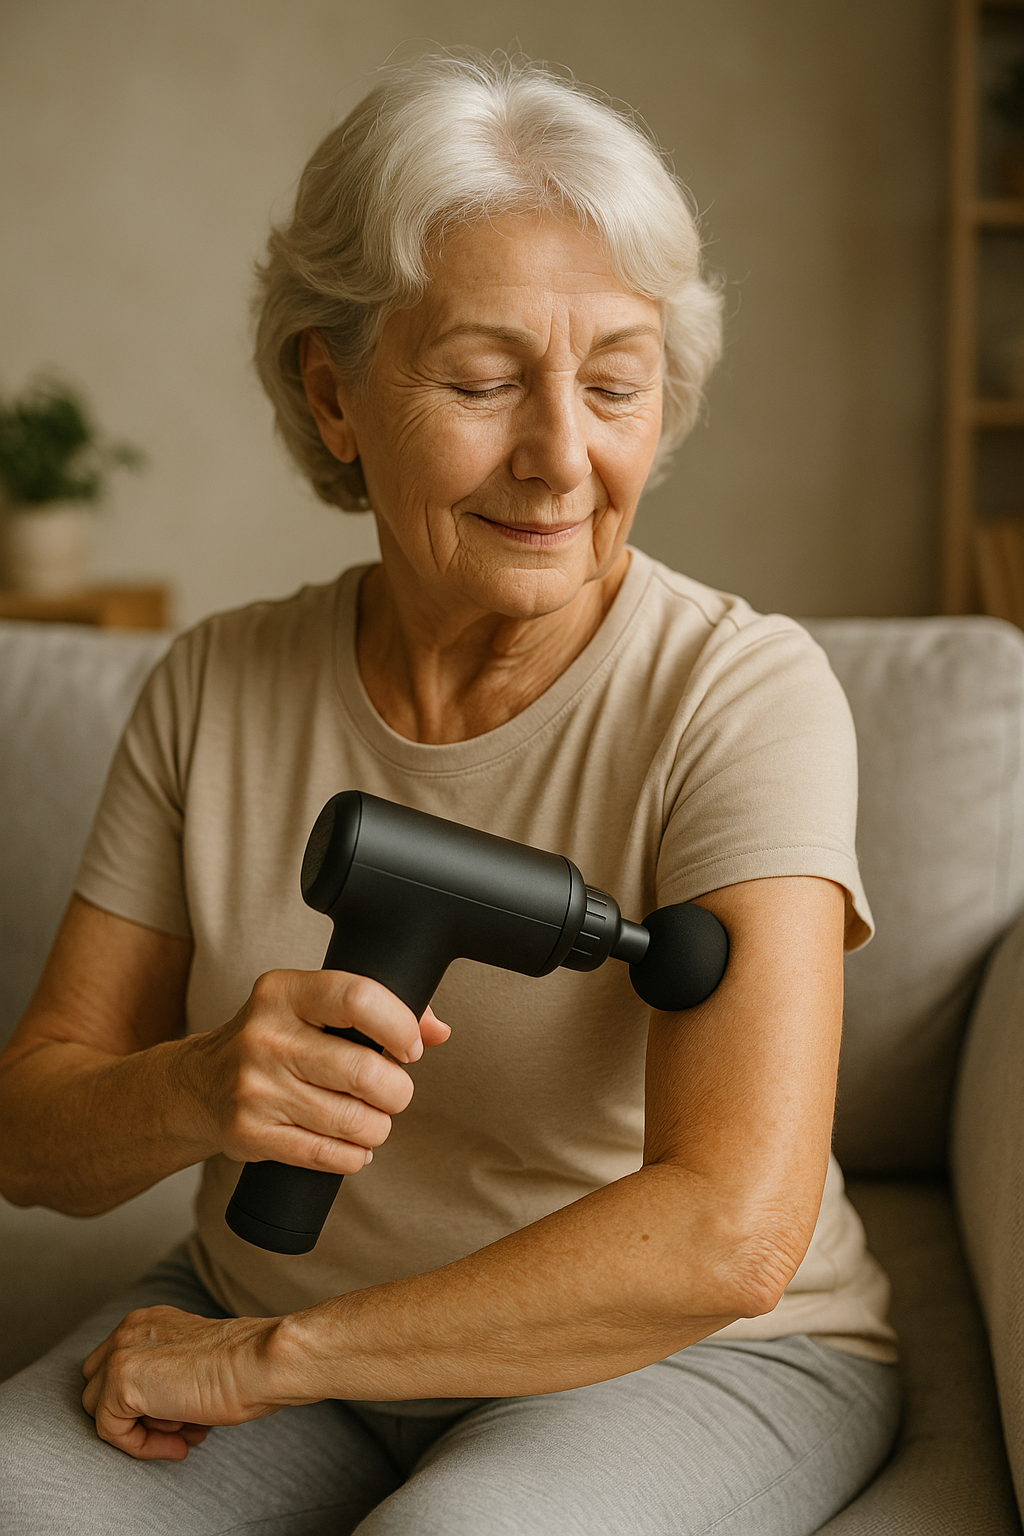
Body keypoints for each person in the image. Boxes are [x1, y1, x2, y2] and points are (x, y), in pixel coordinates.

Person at [0, 52, 899, 1536]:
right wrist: (196, 1083)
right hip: (269, 1309)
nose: (562, 458)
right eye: (483, 382)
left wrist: (273, 1361)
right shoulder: (214, 686)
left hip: (668, 1359)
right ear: (332, 392)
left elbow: (729, 1236)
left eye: (616, 382)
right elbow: (32, 1132)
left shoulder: (742, 696)